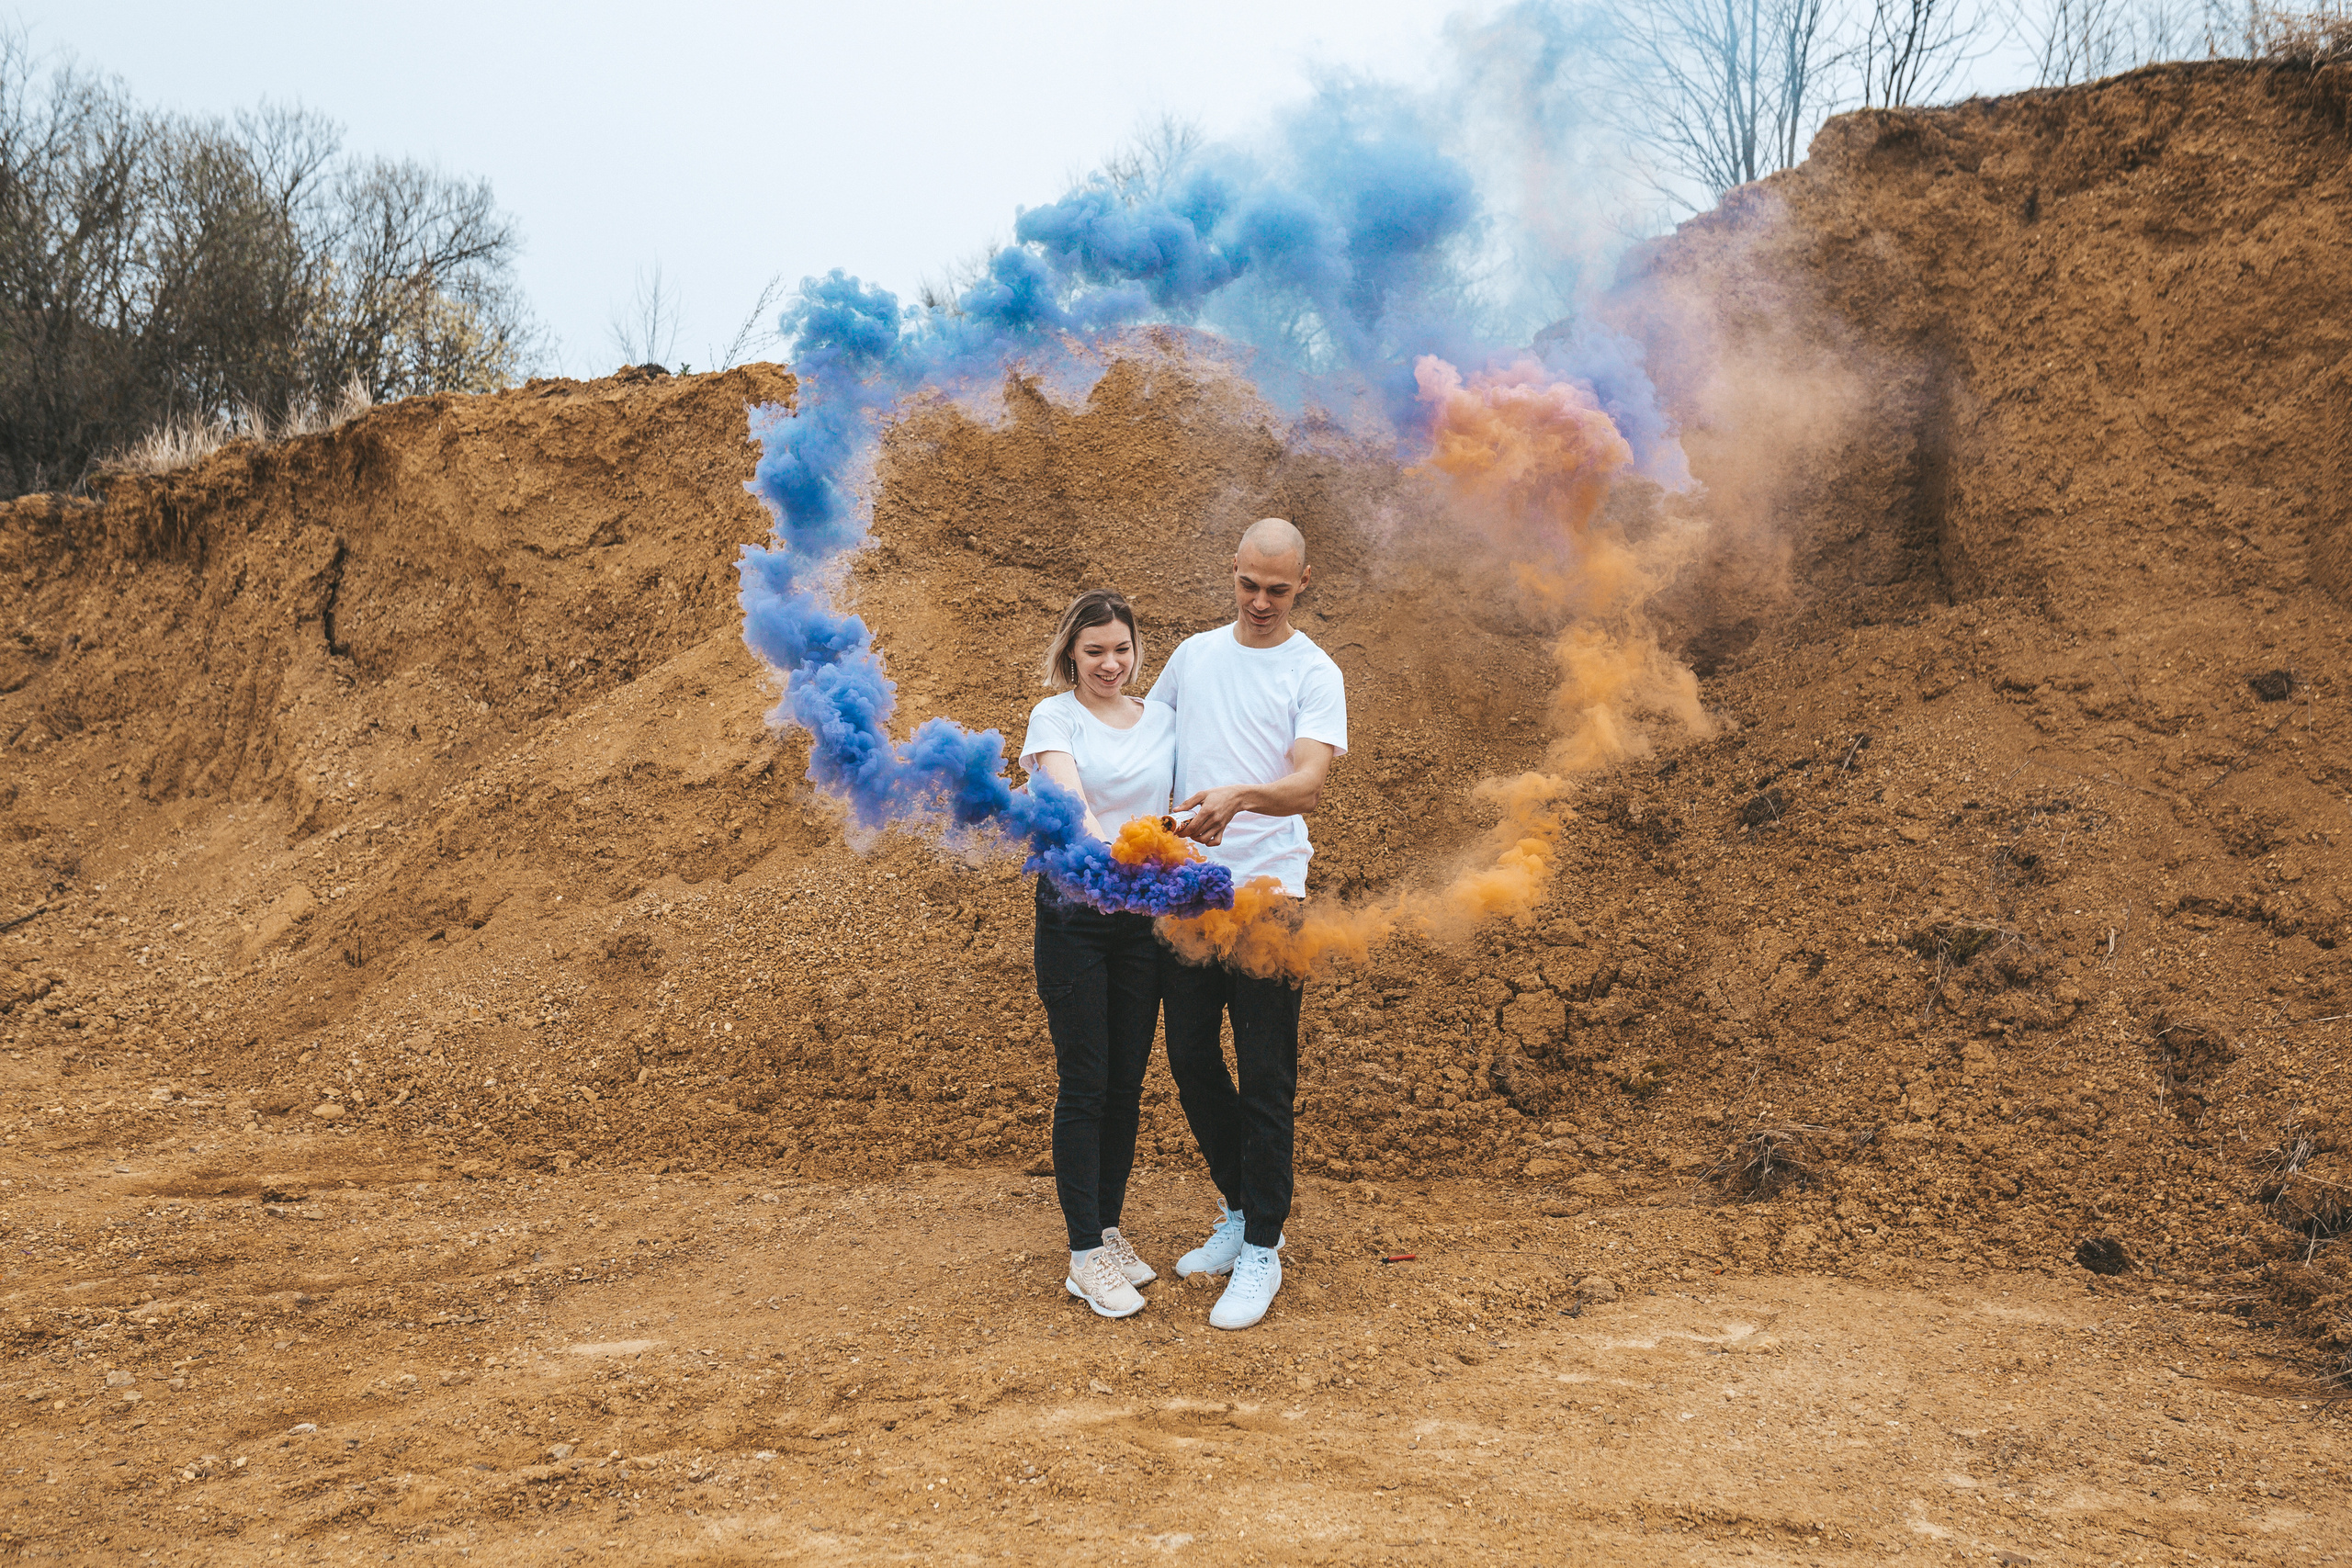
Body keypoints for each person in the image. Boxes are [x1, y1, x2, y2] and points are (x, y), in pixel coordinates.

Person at [1148, 518, 1347, 1331]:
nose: (1261, 602)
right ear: (1232, 570)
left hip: (1272, 895)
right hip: (1190, 890)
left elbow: (1309, 783)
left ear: (1304, 582)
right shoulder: (1193, 656)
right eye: (1248, 584)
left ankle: (1264, 1243)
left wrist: (1240, 796)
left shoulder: (1314, 670)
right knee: (1191, 1058)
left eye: (1277, 588)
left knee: (1267, 1074)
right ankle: (1239, 1207)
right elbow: (1148, 745)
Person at [1019, 589, 1176, 1319]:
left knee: (1125, 1083)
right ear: (1071, 654)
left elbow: (1177, 807)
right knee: (1086, 1082)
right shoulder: (1055, 718)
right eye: (1094, 651)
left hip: (1141, 919)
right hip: (1075, 913)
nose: (1109, 663)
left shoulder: (1163, 720)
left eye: (1121, 649)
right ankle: (1084, 1255)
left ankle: (1108, 1230)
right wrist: (1116, 856)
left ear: (1136, 649)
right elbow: (1070, 803)